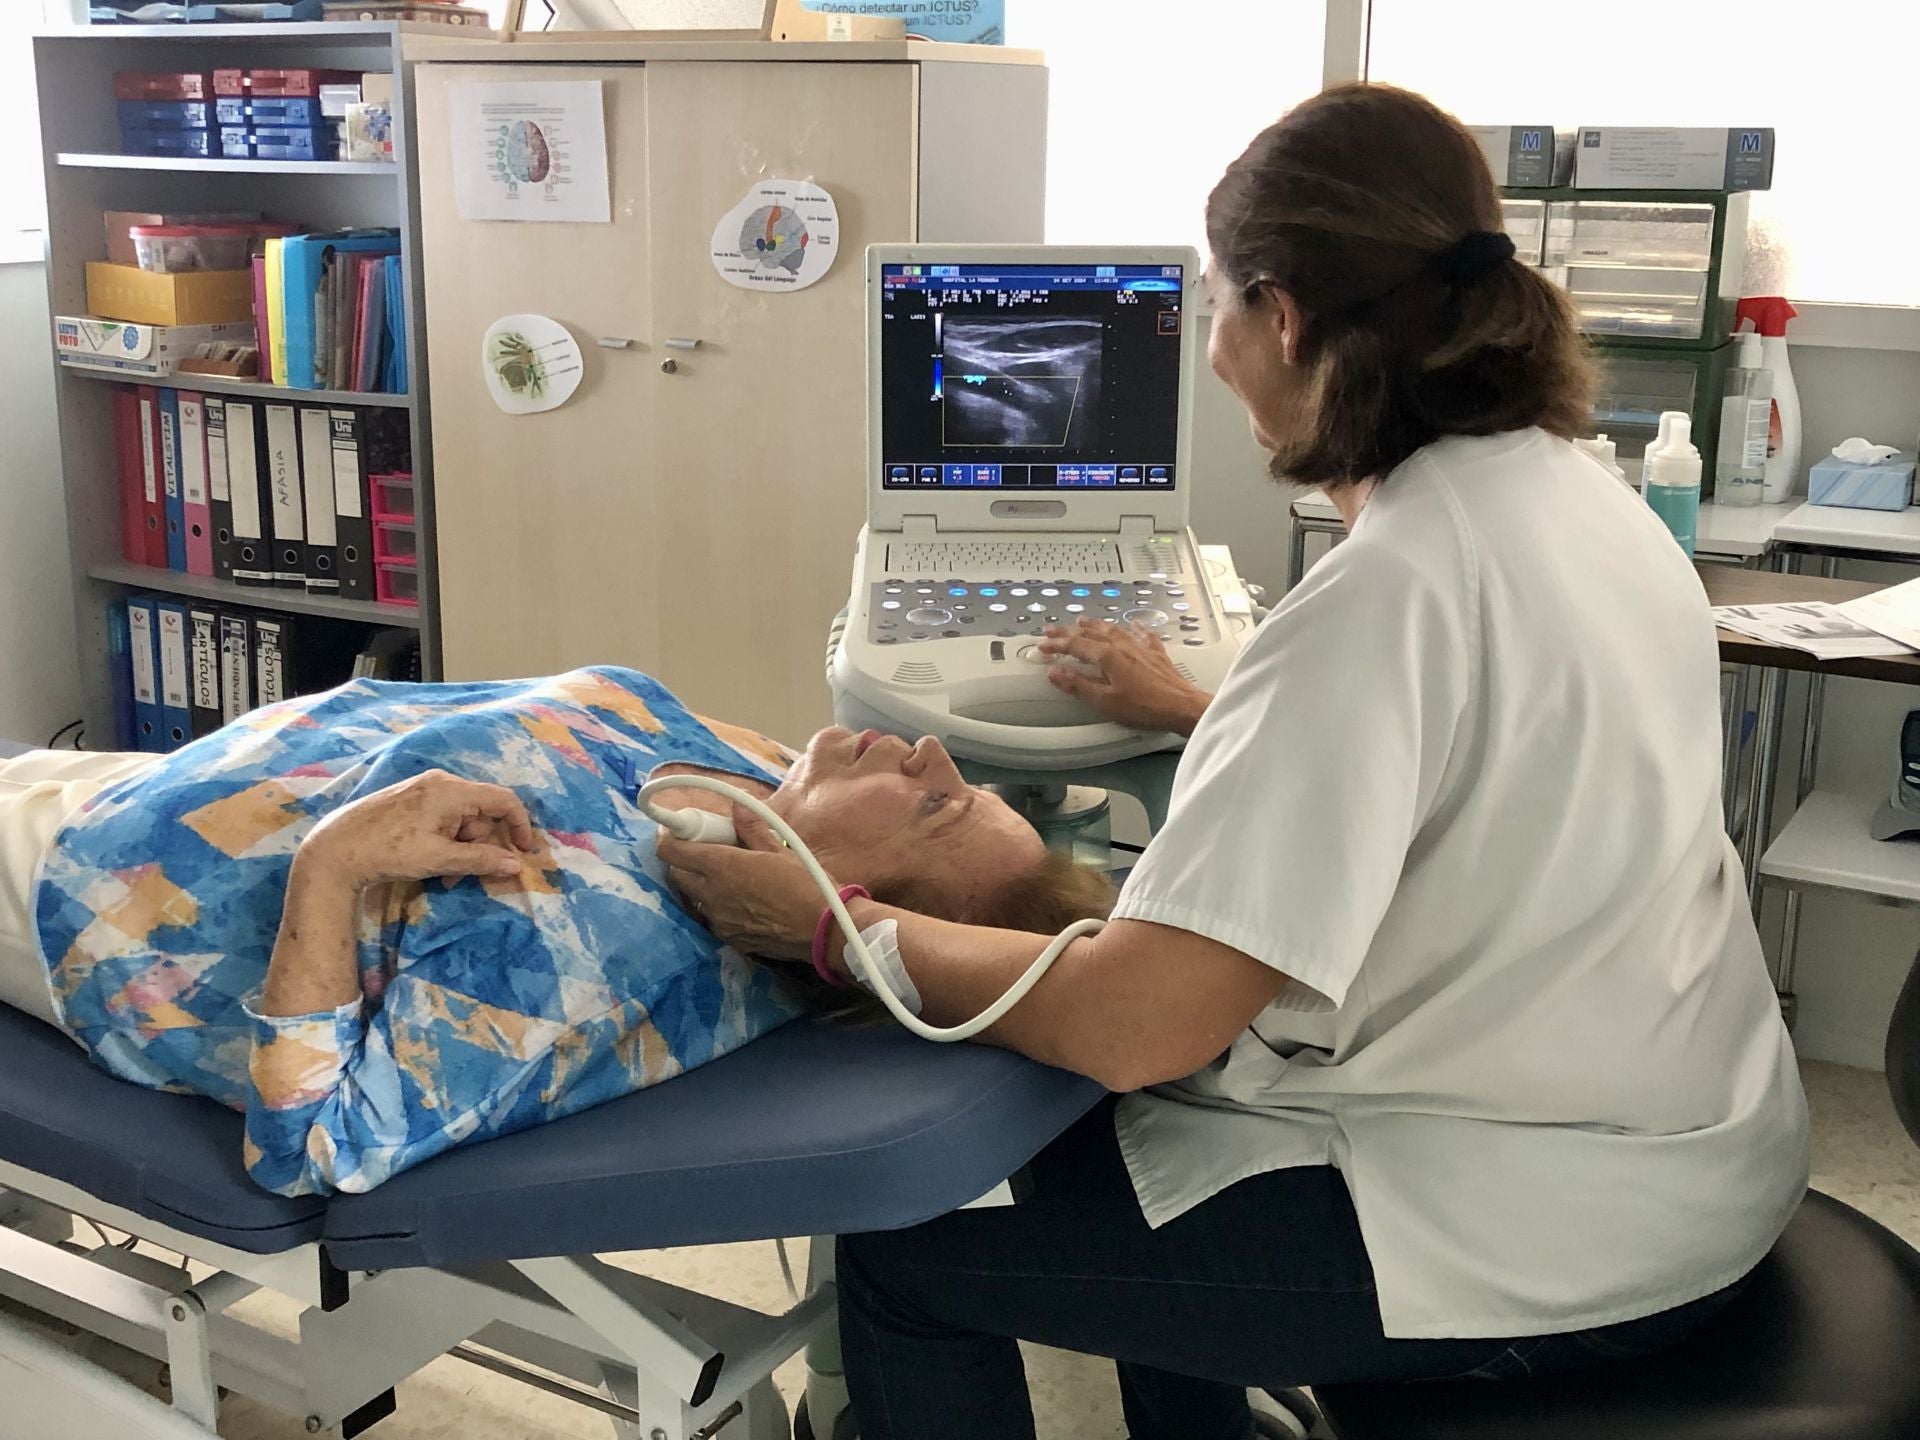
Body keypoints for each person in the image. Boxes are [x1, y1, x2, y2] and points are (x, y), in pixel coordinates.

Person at [658, 83, 1811, 1440]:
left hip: (1546, 1236)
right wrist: (1211, 705)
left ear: (1283, 317)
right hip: (1693, 1150)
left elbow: (1139, 1025)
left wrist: (834, 923)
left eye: (1212, 310)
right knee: (1154, 1146)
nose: (1210, 354)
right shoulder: (1580, 504)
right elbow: (1475, 772)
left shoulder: (1384, 595)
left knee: (914, 1258)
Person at [1, 666, 1111, 1197]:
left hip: (96, 905)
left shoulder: (588, 973)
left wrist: (332, 864)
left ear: (851, 906)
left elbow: (313, 1147)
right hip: (168, 791)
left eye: (937, 808)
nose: (932, 755)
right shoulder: (748, 786)